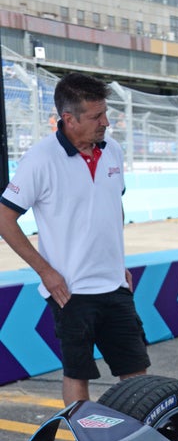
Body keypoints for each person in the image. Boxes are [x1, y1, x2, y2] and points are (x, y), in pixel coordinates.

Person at [0, 72, 149, 404]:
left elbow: (113, 206)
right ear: (69, 119)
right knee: (77, 374)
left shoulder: (113, 151)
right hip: (70, 292)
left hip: (115, 286)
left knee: (137, 373)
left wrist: (118, 263)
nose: (106, 122)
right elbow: (4, 218)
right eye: (97, 116)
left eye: (105, 113)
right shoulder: (40, 159)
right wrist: (46, 273)